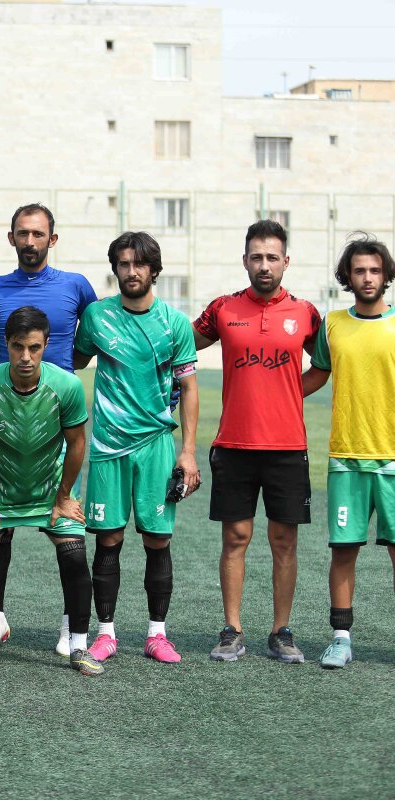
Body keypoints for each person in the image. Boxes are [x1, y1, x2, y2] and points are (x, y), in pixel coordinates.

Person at [194, 220, 320, 663]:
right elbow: (184, 344)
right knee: (236, 537)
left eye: (272, 257)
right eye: (256, 257)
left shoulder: (306, 313)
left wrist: (286, 393)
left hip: (287, 447)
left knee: (284, 541)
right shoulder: (223, 309)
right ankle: (232, 630)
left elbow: (323, 365)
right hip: (234, 445)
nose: (264, 265)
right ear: (244, 261)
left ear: (286, 261)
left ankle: (281, 632)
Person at [0, 307, 100, 675]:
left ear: (46, 344)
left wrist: (64, 497)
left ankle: (79, 645)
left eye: (34, 347)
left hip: (51, 495)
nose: (26, 357)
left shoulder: (66, 385)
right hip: (0, 497)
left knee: (75, 556)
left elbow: (77, 443)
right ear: (6, 344)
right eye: (18, 347)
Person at [72, 231, 199, 665]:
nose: (131, 271)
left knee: (158, 540)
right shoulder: (96, 317)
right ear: (115, 269)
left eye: (139, 263)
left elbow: (189, 387)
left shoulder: (175, 324)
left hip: (157, 445)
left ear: (153, 269)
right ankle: (105, 634)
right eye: (123, 264)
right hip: (108, 445)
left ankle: (156, 635)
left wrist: (188, 452)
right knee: (108, 539)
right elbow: (74, 361)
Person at [0, 203, 97, 654]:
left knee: (65, 526)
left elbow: (90, 339)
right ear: (11, 238)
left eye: (38, 233)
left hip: (57, 421)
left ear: (53, 238)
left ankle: (71, 627)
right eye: (22, 233)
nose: (30, 241)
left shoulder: (76, 286)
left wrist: (61, 376)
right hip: (8, 422)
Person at [302, 235, 395, 669]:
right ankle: (341, 640)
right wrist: (269, 396)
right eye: (360, 270)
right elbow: (316, 375)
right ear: (348, 276)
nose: (368, 277)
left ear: (386, 275)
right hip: (345, 459)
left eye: (375, 270)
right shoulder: (333, 324)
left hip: (393, 461)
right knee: (343, 551)